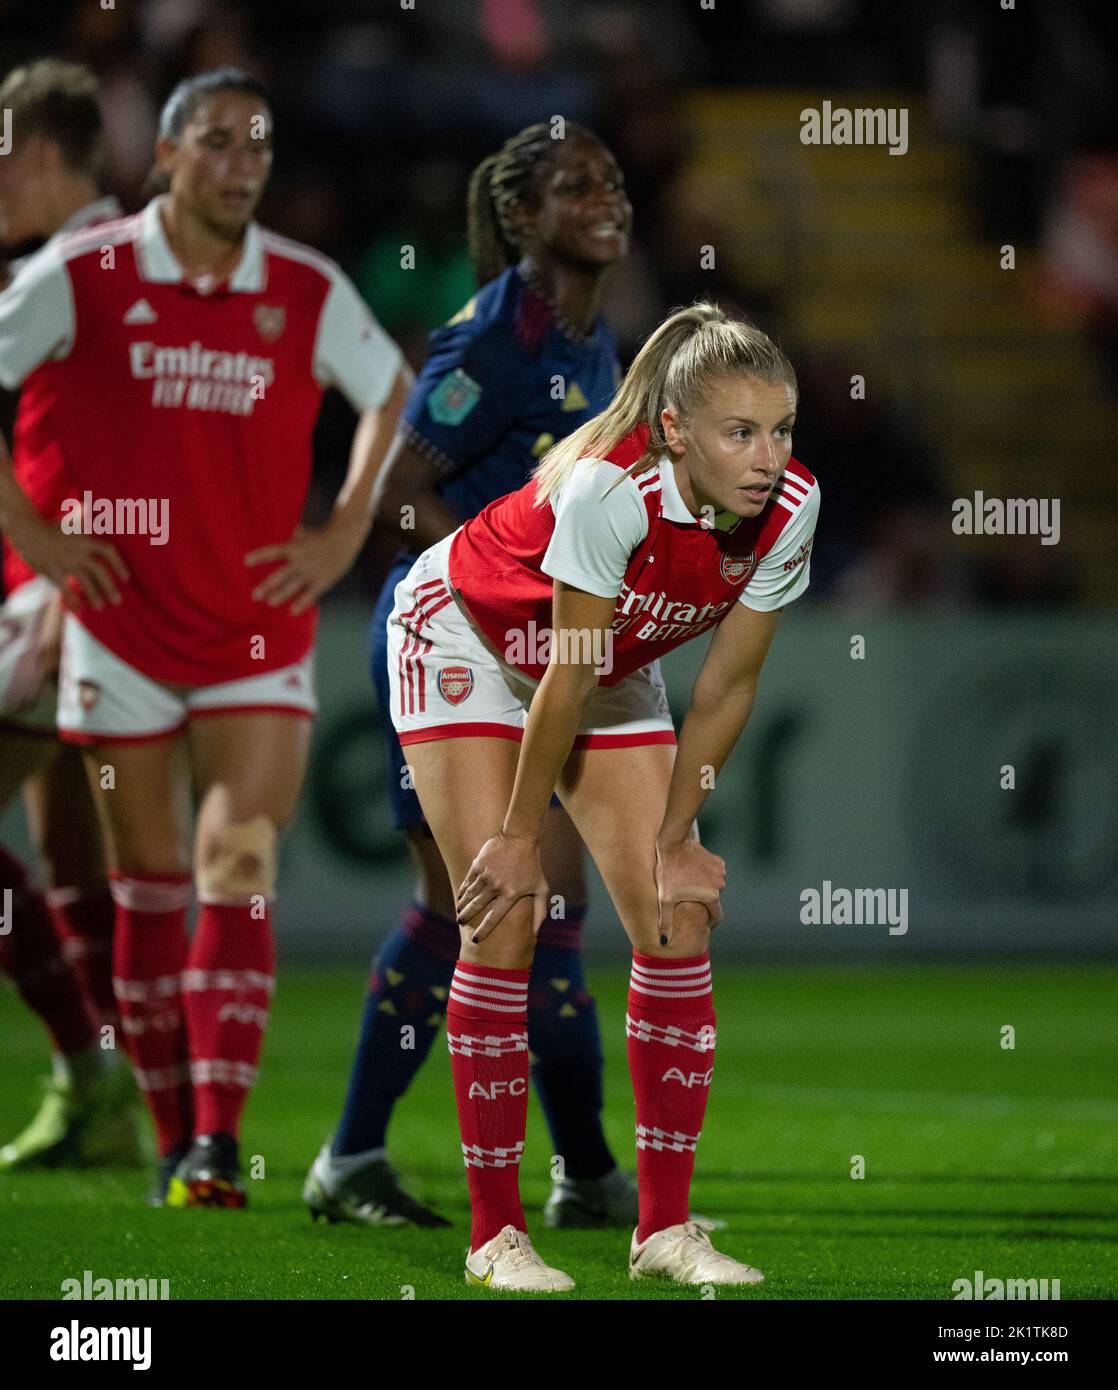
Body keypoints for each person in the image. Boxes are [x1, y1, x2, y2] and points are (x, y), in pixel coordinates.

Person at [0, 66, 411, 1208]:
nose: (242, 167)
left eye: (259, 149)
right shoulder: (82, 273)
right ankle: (171, 1131)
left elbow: (391, 391)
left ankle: (215, 1147)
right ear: (167, 156)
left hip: (252, 621)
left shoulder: (305, 285)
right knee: (148, 885)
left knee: (239, 861)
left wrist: (338, 536)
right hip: (119, 624)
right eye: (219, 143)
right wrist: (35, 531)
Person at [385, 302, 820, 1290]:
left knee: (677, 913)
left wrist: (673, 835)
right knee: (506, 916)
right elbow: (563, 679)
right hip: (466, 635)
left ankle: (661, 1230)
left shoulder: (792, 505)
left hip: (595, 663)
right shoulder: (607, 492)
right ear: (674, 429)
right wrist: (512, 836)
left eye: (780, 428)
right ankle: (492, 1238)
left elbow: (725, 687)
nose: (766, 456)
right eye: (738, 431)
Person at [304, 122, 641, 1229]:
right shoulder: (502, 338)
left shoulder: (589, 335)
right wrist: (492, 591)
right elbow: (399, 489)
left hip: (519, 644)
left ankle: (566, 1176)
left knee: (516, 910)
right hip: (447, 640)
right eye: (573, 185)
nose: (606, 195)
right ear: (519, 217)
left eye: (609, 179)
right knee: (507, 909)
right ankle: (554, 1175)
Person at [0, 58, 141, 1172]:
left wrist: (51, 571)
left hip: (61, 589)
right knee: (68, 837)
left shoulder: (82, 267)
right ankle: (120, 1085)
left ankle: (100, 1071)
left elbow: (130, 434)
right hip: (67, 584)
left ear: (38, 152)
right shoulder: (121, 259)